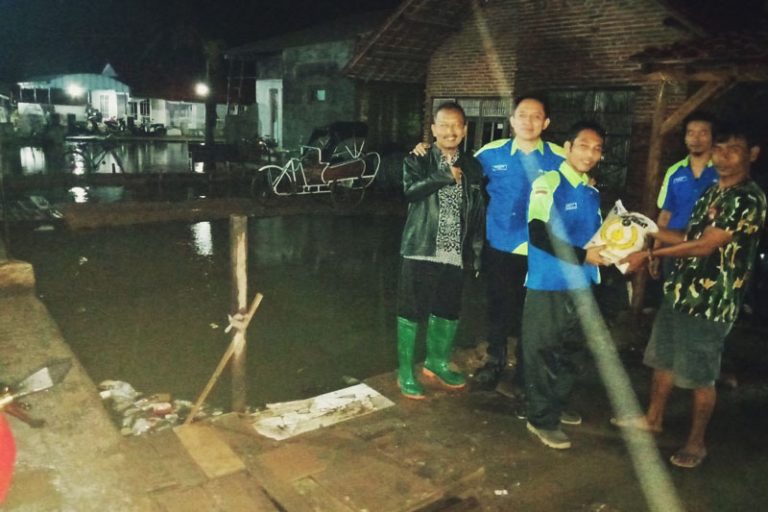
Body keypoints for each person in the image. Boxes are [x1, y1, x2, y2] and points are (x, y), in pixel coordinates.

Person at [618, 122, 767, 468]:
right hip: (680, 291)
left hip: (711, 302)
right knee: (663, 359)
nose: (723, 157)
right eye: (719, 149)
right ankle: (653, 419)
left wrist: (650, 253)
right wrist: (647, 228)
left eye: (734, 150)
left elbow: (705, 246)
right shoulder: (712, 191)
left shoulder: (748, 198)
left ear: (752, 154)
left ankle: (696, 442)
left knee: (700, 375)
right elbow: (688, 236)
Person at [522, 121, 610, 450]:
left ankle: (555, 406)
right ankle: (540, 419)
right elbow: (537, 233)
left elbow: (594, 237)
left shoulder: (591, 191)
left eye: (597, 149)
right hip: (550, 282)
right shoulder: (549, 182)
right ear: (568, 148)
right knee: (542, 351)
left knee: (572, 350)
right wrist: (584, 255)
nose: (590, 154)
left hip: (584, 283)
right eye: (583, 146)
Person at [396, 101, 485, 400]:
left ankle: (436, 362)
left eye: (456, 125)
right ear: (433, 129)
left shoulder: (472, 165)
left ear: (465, 129)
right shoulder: (418, 159)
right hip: (421, 248)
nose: (450, 130)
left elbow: (477, 212)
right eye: (444, 125)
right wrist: (443, 175)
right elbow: (410, 191)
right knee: (411, 311)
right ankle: (405, 371)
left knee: (448, 310)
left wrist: (475, 253)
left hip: (455, 253)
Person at [650, 111, 719, 279]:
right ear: (685, 138)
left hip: (706, 247)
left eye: (703, 133)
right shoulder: (675, 171)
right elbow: (665, 214)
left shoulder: (722, 170)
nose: (696, 139)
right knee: (671, 291)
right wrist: (656, 251)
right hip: (673, 247)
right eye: (691, 133)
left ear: (713, 137)